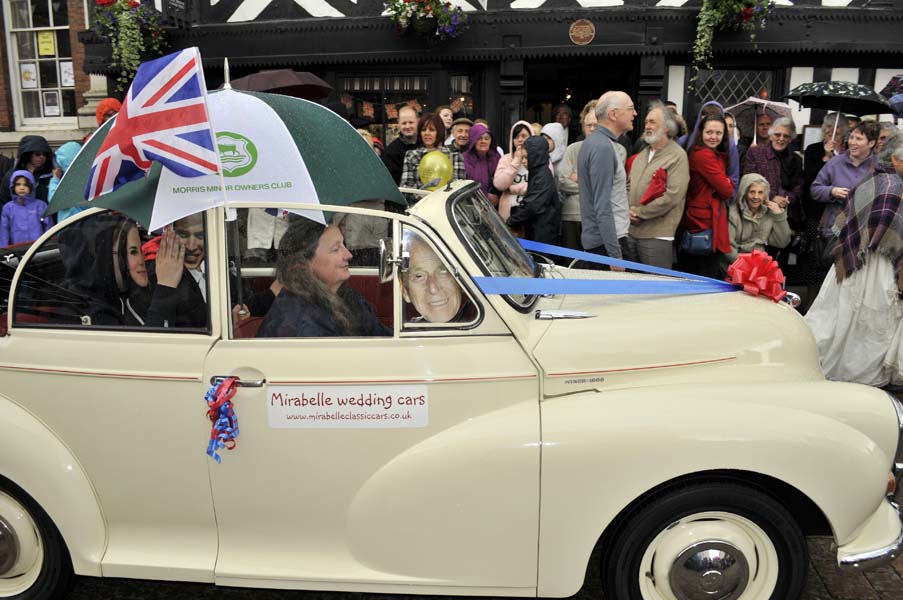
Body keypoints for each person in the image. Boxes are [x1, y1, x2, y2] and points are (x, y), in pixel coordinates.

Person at [805, 132, 903, 386]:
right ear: (895, 158)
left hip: (869, 257)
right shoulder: (890, 184)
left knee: (859, 315)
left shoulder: (879, 177)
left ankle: (861, 369)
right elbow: (872, 221)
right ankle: (851, 371)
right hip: (869, 260)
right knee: (856, 312)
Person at [257, 219, 390, 338]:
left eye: (344, 245)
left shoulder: (347, 298)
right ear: (302, 265)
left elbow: (383, 338)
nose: (348, 255)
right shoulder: (302, 324)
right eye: (336, 249)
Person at [59, 213, 188, 327]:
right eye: (133, 252)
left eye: (140, 249)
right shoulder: (93, 315)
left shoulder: (124, 295)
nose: (141, 259)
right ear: (105, 258)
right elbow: (149, 351)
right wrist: (165, 288)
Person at [626, 101, 690, 269]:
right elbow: (628, 186)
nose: (647, 126)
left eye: (652, 122)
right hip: (631, 231)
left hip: (657, 235)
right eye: (646, 122)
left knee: (655, 289)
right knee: (631, 286)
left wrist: (640, 212)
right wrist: (627, 210)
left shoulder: (678, 156)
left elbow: (672, 196)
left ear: (667, 127)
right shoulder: (641, 155)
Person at [810, 121, 879, 263]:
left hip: (865, 232)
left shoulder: (879, 166)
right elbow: (814, 190)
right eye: (851, 137)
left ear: (871, 143)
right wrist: (832, 191)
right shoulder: (835, 163)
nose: (852, 142)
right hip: (835, 231)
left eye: (858, 139)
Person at [578, 91, 635, 261]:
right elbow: (603, 206)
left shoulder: (597, 142)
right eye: (630, 109)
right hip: (607, 243)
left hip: (604, 241)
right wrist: (614, 254)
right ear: (613, 114)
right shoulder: (602, 146)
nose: (635, 113)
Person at [679, 114, 735, 278]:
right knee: (704, 274)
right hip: (704, 221)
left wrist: (724, 182)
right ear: (701, 133)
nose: (714, 137)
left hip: (707, 218)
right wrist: (726, 182)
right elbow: (727, 190)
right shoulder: (704, 155)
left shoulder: (711, 154)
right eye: (709, 132)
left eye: (718, 133)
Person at [742, 117, 804, 231]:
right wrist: (772, 197)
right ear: (771, 135)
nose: (781, 139)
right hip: (760, 213)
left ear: (791, 139)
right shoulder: (755, 153)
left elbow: (799, 187)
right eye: (777, 134)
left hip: (787, 215)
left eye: (786, 136)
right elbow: (748, 183)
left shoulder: (796, 159)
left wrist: (787, 199)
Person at [400, 233, 468, 323]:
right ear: (404, 291)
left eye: (443, 272)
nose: (433, 289)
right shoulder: (409, 333)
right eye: (419, 276)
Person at [724, 173, 791, 265]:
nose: (756, 197)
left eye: (760, 193)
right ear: (744, 193)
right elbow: (728, 249)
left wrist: (778, 214)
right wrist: (747, 267)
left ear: (765, 195)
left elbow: (782, 242)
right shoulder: (732, 214)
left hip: (759, 265)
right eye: (752, 192)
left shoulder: (768, 214)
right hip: (735, 266)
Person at [507, 135, 561, 245]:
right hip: (539, 228)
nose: (523, 161)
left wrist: (511, 221)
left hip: (542, 232)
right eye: (523, 157)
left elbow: (532, 205)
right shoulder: (538, 172)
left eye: (527, 157)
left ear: (536, 156)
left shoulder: (542, 176)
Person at [399, 112, 466, 200]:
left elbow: (460, 189)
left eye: (432, 130)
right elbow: (406, 189)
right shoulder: (412, 155)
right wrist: (425, 195)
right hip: (421, 208)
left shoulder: (454, 156)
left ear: (439, 132)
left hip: (445, 209)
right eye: (423, 130)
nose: (427, 133)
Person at [558, 104, 597, 249]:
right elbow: (562, 182)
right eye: (588, 125)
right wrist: (590, 183)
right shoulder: (572, 149)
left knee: (594, 266)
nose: (592, 129)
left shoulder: (615, 149)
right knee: (572, 264)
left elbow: (605, 184)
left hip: (596, 217)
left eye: (596, 125)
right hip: (571, 215)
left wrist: (579, 177)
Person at [681, 101, 740, 189]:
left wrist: (728, 199)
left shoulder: (729, 145)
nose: (713, 137)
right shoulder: (685, 141)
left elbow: (733, 176)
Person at [0, 170, 52, 247]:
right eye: (18, 184)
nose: (22, 188)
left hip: (38, 248)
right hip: (16, 248)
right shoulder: (8, 208)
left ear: (32, 186)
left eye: (26, 185)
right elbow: (4, 231)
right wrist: (3, 250)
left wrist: (50, 245)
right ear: (12, 186)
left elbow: (49, 227)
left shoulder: (40, 205)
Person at [494, 120, 533, 219]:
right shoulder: (505, 159)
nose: (519, 140)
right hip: (508, 213)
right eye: (516, 137)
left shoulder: (541, 158)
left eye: (524, 136)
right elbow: (499, 185)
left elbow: (538, 186)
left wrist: (511, 189)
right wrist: (516, 161)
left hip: (531, 212)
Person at [0, 135, 55, 206]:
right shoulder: (12, 176)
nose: (42, 157)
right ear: (27, 155)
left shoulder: (52, 175)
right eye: (37, 154)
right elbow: (3, 201)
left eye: (45, 154)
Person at [461, 122, 500, 205]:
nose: (483, 141)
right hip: (470, 205)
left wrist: (496, 194)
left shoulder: (496, 158)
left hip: (493, 207)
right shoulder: (464, 158)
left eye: (487, 138)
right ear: (473, 140)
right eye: (479, 138)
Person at [382, 105, 419, 184]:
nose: (407, 126)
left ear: (418, 121)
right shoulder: (391, 152)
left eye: (411, 122)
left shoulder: (426, 144)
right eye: (404, 123)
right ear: (398, 123)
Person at [47, 141, 83, 222]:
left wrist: (55, 179)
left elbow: (55, 201)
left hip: (71, 226)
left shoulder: (71, 182)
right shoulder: (86, 178)